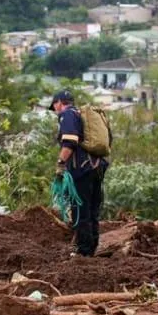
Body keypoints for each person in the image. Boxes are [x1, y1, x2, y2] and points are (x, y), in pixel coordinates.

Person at [49, 89, 109, 257]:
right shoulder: (80, 115)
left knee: (80, 209)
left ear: (59, 103)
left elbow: (69, 142)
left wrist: (60, 164)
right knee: (92, 210)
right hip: (97, 167)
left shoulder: (67, 115)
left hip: (82, 169)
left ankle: (84, 251)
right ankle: (92, 247)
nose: (55, 110)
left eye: (54, 106)